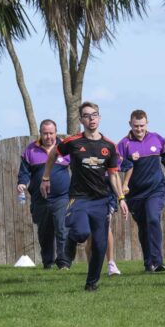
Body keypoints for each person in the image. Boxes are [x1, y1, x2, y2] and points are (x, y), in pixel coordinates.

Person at [40, 102, 128, 291]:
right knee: (80, 232)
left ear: (100, 118)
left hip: (101, 200)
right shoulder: (72, 142)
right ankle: (72, 240)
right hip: (78, 198)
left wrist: (121, 198)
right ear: (81, 120)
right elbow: (53, 154)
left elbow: (113, 175)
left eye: (94, 114)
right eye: (87, 115)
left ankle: (91, 283)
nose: (91, 118)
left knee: (100, 245)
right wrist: (45, 177)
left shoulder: (109, 146)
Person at [117, 110, 165, 272]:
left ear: (147, 123)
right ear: (130, 124)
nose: (139, 129)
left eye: (142, 126)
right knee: (143, 227)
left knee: (153, 219)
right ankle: (148, 262)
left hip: (155, 189)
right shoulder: (124, 144)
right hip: (135, 193)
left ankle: (158, 261)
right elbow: (114, 165)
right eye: (136, 126)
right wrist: (129, 159)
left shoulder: (157, 139)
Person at [17, 119, 70, 269]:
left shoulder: (64, 148)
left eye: (51, 133)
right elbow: (24, 172)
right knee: (45, 233)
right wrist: (22, 183)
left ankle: (63, 263)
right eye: (45, 133)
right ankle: (48, 263)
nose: (48, 137)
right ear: (40, 133)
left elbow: (78, 167)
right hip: (40, 199)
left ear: (56, 132)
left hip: (62, 197)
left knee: (62, 229)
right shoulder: (31, 150)